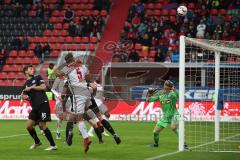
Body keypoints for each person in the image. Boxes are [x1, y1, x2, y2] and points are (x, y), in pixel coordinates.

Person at [54, 53, 96, 152]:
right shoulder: (82, 66)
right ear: (73, 59)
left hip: (78, 95)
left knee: (79, 118)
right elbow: (89, 77)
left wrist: (55, 69)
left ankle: (85, 139)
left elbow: (59, 75)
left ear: (67, 61)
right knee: (76, 113)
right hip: (87, 92)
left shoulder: (68, 68)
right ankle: (72, 131)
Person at [21, 65, 57, 150]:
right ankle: (37, 142)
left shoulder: (37, 77)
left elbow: (43, 87)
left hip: (42, 104)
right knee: (29, 126)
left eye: (33, 69)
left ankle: (53, 145)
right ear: (26, 72)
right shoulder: (25, 84)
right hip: (34, 107)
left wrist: (33, 87)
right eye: (30, 69)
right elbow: (24, 95)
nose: (33, 70)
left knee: (42, 125)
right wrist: (24, 96)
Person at [147, 80, 188, 149]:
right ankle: (156, 144)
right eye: (164, 84)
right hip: (165, 116)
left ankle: (183, 144)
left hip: (174, 114)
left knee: (174, 128)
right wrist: (149, 94)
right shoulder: (160, 95)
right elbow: (149, 100)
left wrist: (174, 90)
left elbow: (182, 97)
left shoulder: (172, 94)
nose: (165, 86)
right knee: (155, 132)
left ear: (169, 87)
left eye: (166, 85)